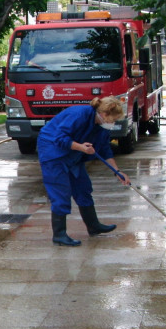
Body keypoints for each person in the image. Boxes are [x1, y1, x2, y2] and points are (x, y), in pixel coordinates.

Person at [37, 97, 130, 246]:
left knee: (83, 187)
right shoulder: (79, 114)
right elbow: (59, 137)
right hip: (53, 152)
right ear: (105, 114)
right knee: (60, 192)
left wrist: (117, 171)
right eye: (114, 119)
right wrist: (81, 148)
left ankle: (93, 226)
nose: (114, 123)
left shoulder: (101, 126)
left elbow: (105, 149)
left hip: (74, 155)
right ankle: (59, 235)